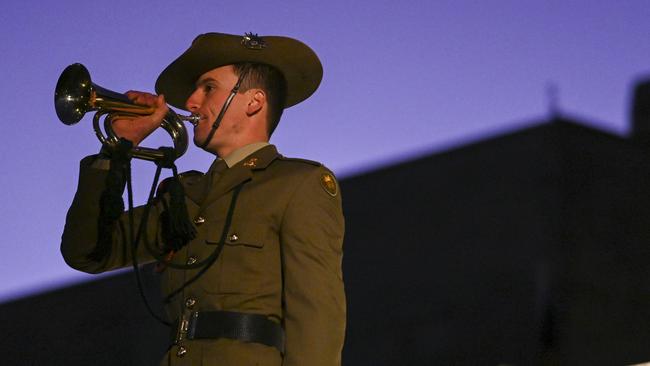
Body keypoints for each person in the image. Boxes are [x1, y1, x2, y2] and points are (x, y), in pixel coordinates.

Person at [61, 32, 345, 366]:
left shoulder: (298, 184)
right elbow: (86, 252)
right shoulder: (185, 197)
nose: (191, 102)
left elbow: (317, 319)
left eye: (208, 88)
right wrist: (117, 148)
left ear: (254, 102)